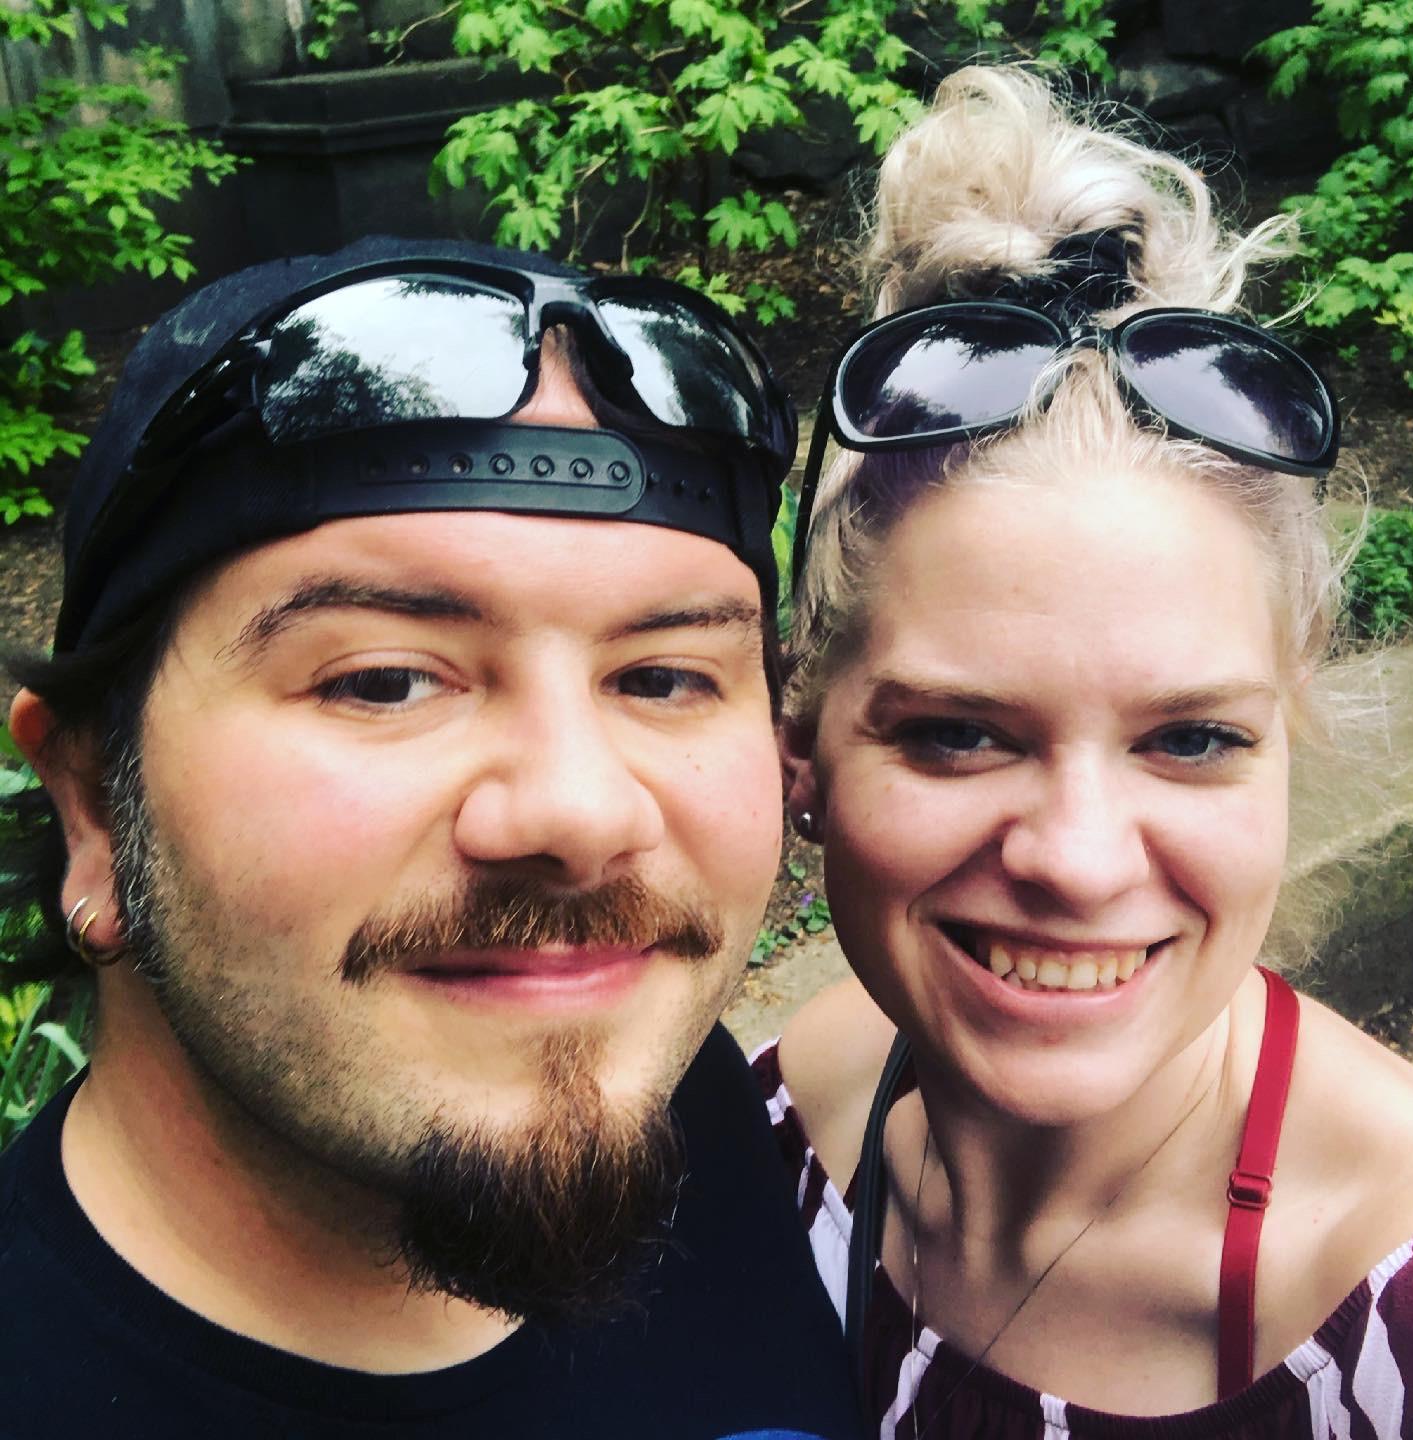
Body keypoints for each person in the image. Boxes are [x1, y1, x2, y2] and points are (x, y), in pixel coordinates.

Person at [0, 236, 864, 1439]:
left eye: (663, 677)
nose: (580, 814)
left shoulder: (680, 1107)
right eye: (385, 682)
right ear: (93, 800)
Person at [754, 66, 1413, 1437]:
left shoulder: (1406, 1319)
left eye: (1192, 738)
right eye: (956, 735)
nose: (1075, 860)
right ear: (801, 753)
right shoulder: (763, 1139)